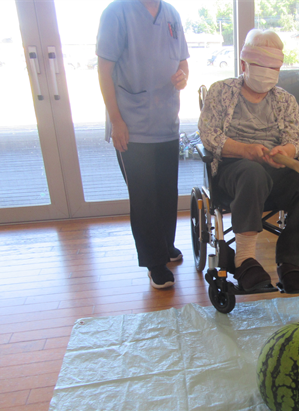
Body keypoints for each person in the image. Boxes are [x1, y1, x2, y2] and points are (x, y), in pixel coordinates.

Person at [198, 29, 299, 294]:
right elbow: (209, 136)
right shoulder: (221, 91)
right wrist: (245, 150)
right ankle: (244, 260)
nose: (267, 72)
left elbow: (294, 138)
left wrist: (285, 152)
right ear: (244, 64)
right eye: (260, 66)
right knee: (252, 172)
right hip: (234, 171)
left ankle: (292, 264)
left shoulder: (285, 100)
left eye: (273, 67)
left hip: (274, 170)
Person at [96, 0, 189, 289]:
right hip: (132, 125)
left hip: (166, 122)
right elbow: (104, 71)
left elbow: (183, 62)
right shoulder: (116, 13)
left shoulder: (171, 14)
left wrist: (183, 76)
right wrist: (116, 120)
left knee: (166, 192)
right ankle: (154, 262)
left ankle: (165, 245)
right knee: (144, 197)